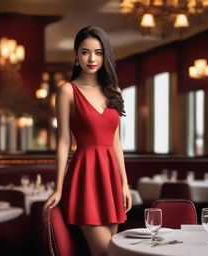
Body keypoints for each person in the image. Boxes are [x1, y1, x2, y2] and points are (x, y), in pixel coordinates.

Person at [43, 25, 132, 256]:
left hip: (110, 179)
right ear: (76, 55)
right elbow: (63, 142)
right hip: (85, 179)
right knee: (105, 252)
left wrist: (124, 183)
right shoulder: (67, 91)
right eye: (85, 52)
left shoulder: (115, 91)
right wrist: (59, 187)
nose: (92, 58)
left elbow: (116, 143)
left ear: (105, 56)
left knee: (113, 250)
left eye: (99, 52)